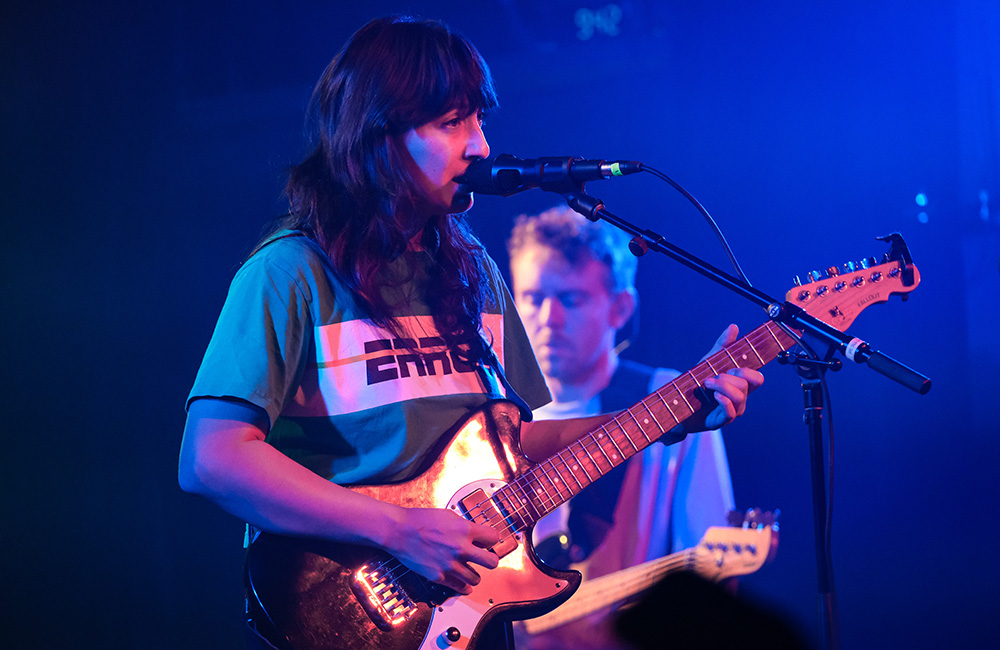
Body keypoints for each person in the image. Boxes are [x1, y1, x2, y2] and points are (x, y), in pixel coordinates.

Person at [177, 15, 762, 650]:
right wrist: (396, 531)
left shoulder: (473, 272)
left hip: (472, 616)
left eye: (478, 119)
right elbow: (211, 459)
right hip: (349, 609)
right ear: (379, 137)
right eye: (451, 122)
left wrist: (674, 411)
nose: (480, 145)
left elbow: (515, 443)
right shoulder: (289, 273)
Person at [508, 206, 745, 650]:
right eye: (533, 297)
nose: (548, 319)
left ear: (621, 307)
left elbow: (715, 568)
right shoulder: (494, 411)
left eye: (571, 299)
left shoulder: (671, 401)